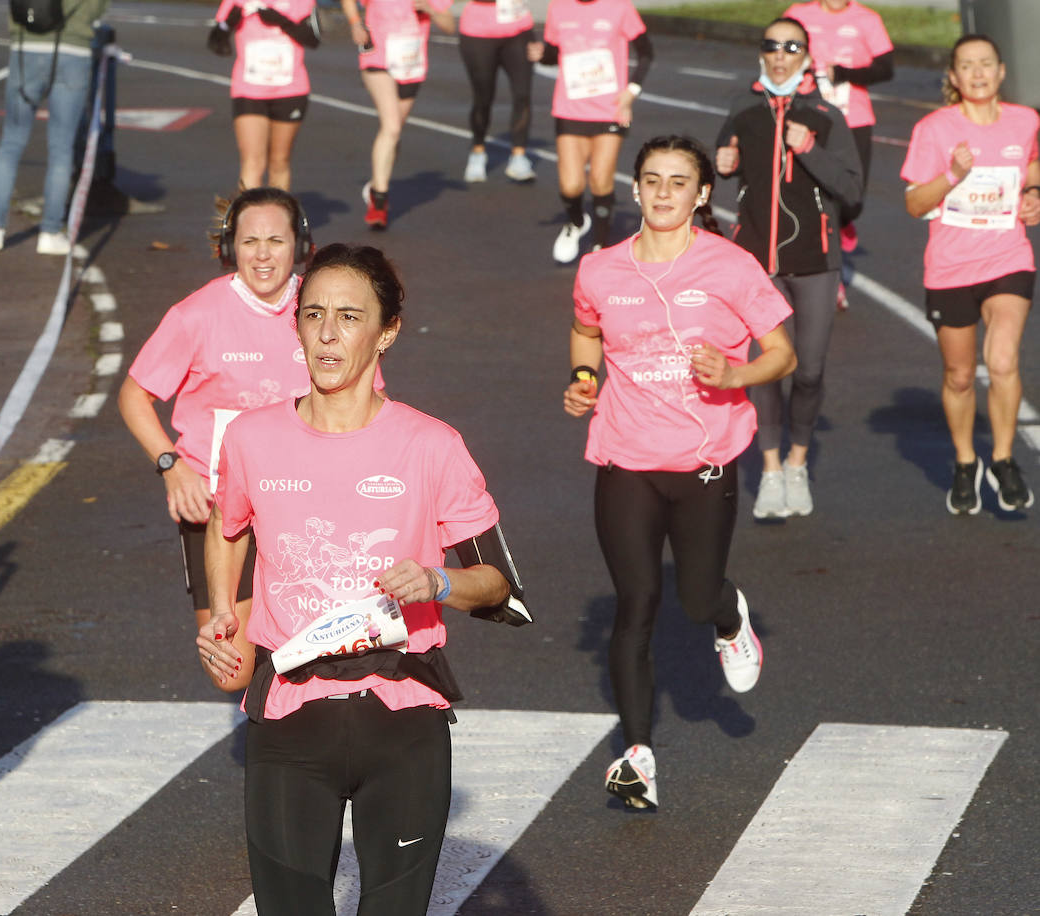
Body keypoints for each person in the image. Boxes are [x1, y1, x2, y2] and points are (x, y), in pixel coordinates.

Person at [202, 244, 521, 913]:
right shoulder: (251, 439)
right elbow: (226, 524)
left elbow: (498, 588)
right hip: (289, 719)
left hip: (402, 720)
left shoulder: (431, 445)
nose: (326, 333)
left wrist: (437, 582)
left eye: (349, 317)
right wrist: (219, 613)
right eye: (313, 314)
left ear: (387, 332)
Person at [565, 135, 795, 809]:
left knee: (694, 599)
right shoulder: (601, 269)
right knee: (635, 604)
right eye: (653, 180)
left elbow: (780, 352)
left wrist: (737, 372)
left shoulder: (732, 267)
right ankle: (637, 754)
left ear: (702, 195)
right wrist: (583, 378)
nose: (664, 193)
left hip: (703, 458)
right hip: (624, 456)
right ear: (635, 189)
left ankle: (728, 619)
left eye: (679, 182)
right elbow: (586, 332)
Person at [118, 188, 317, 691]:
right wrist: (172, 466)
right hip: (221, 509)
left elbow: (369, 401)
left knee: (313, 645)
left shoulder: (322, 309)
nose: (263, 254)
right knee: (232, 672)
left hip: (309, 504)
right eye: (250, 241)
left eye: (276, 240)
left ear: (300, 243)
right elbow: (134, 395)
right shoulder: (196, 315)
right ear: (232, 247)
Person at [715, 16, 862, 519]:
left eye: (791, 46)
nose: (780, 54)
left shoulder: (824, 114)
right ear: (762, 53)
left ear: (806, 57)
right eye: (771, 45)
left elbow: (853, 189)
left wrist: (809, 150)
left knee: (810, 370)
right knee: (766, 371)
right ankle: (773, 469)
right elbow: (719, 165)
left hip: (816, 261)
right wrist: (722, 163)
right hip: (759, 262)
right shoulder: (742, 108)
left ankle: (799, 462)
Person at [901, 34, 1040, 514]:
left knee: (1002, 362)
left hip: (1008, 259)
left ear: (1001, 72)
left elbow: (1032, 162)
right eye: (967, 66)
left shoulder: (1025, 121)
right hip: (951, 265)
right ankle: (966, 462)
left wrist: (1034, 192)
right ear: (954, 78)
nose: (977, 73)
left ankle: (1002, 458)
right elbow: (915, 202)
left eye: (986, 64)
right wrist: (952, 177)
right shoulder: (934, 129)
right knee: (960, 376)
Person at [783, 0, 894, 309]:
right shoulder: (798, 15)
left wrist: (844, 72)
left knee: (850, 201)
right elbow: (775, 57)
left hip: (853, 119)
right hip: (805, 115)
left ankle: (844, 226)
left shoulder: (867, 19)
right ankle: (828, 281)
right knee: (809, 198)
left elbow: (886, 68)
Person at [0, 0, 110, 255]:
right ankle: (50, 231)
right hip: (73, 50)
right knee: (61, 148)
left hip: (25, 47)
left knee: (11, 142)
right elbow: (97, 7)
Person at [528, 0, 653, 264]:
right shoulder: (558, 7)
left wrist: (631, 92)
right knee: (571, 185)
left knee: (600, 180)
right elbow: (553, 54)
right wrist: (541, 54)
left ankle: (600, 244)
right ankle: (576, 222)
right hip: (570, 109)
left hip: (609, 110)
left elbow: (646, 52)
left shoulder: (620, 6)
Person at [340, 0, 456, 229]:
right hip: (377, 58)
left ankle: (376, 183)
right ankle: (379, 202)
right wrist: (355, 22)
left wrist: (430, 10)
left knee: (393, 132)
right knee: (391, 126)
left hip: (411, 64)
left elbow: (450, 26)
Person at [206, 0, 320, 190]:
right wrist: (229, 23)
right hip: (249, 90)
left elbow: (313, 40)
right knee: (252, 162)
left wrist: (281, 21)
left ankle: (279, 218)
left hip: (290, 89)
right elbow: (216, 42)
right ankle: (247, 218)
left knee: (280, 161)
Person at [457, 0, 540, 184]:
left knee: (523, 94)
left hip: (519, 30)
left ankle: (519, 156)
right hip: (478, 33)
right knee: (483, 98)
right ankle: (478, 151)